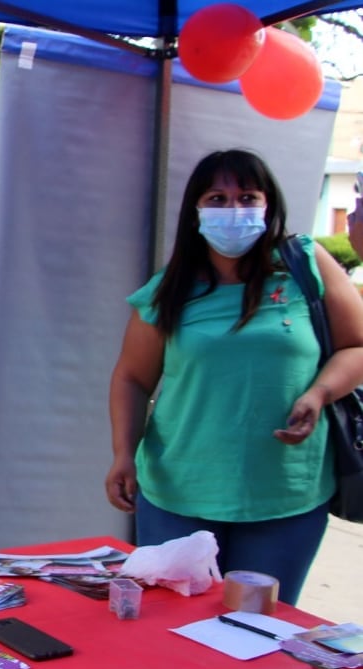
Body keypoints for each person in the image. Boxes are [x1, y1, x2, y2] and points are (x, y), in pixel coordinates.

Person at [105, 149, 363, 605]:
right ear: (196, 211)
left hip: (286, 495)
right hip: (177, 491)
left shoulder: (305, 264)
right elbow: (131, 377)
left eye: (247, 196)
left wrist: (320, 393)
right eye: (217, 198)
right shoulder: (171, 289)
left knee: (258, 633)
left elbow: (356, 345)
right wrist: (124, 453)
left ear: (269, 205)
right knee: (173, 632)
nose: (233, 210)